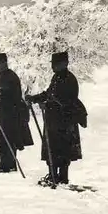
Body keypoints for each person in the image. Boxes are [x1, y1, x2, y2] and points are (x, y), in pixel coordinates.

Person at [25, 52, 87, 185]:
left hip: (64, 121)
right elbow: (49, 94)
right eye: (53, 64)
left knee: (62, 149)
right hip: (54, 121)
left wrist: (47, 103)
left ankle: (62, 177)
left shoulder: (69, 79)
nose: (53, 67)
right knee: (52, 148)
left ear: (64, 64)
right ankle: (53, 175)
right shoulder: (57, 77)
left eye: (56, 64)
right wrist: (35, 98)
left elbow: (64, 100)